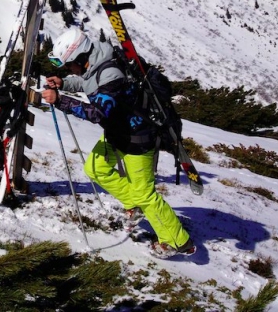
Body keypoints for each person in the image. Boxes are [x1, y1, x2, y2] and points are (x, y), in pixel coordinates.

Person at [41, 28, 195, 259]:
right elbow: (89, 83)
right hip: (117, 134)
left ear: (81, 58)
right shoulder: (98, 63)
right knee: (95, 168)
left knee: (146, 194)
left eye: (69, 65)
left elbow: (98, 112)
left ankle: (178, 241)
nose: (68, 69)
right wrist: (64, 83)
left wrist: (61, 100)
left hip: (136, 139)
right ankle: (134, 204)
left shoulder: (111, 72)